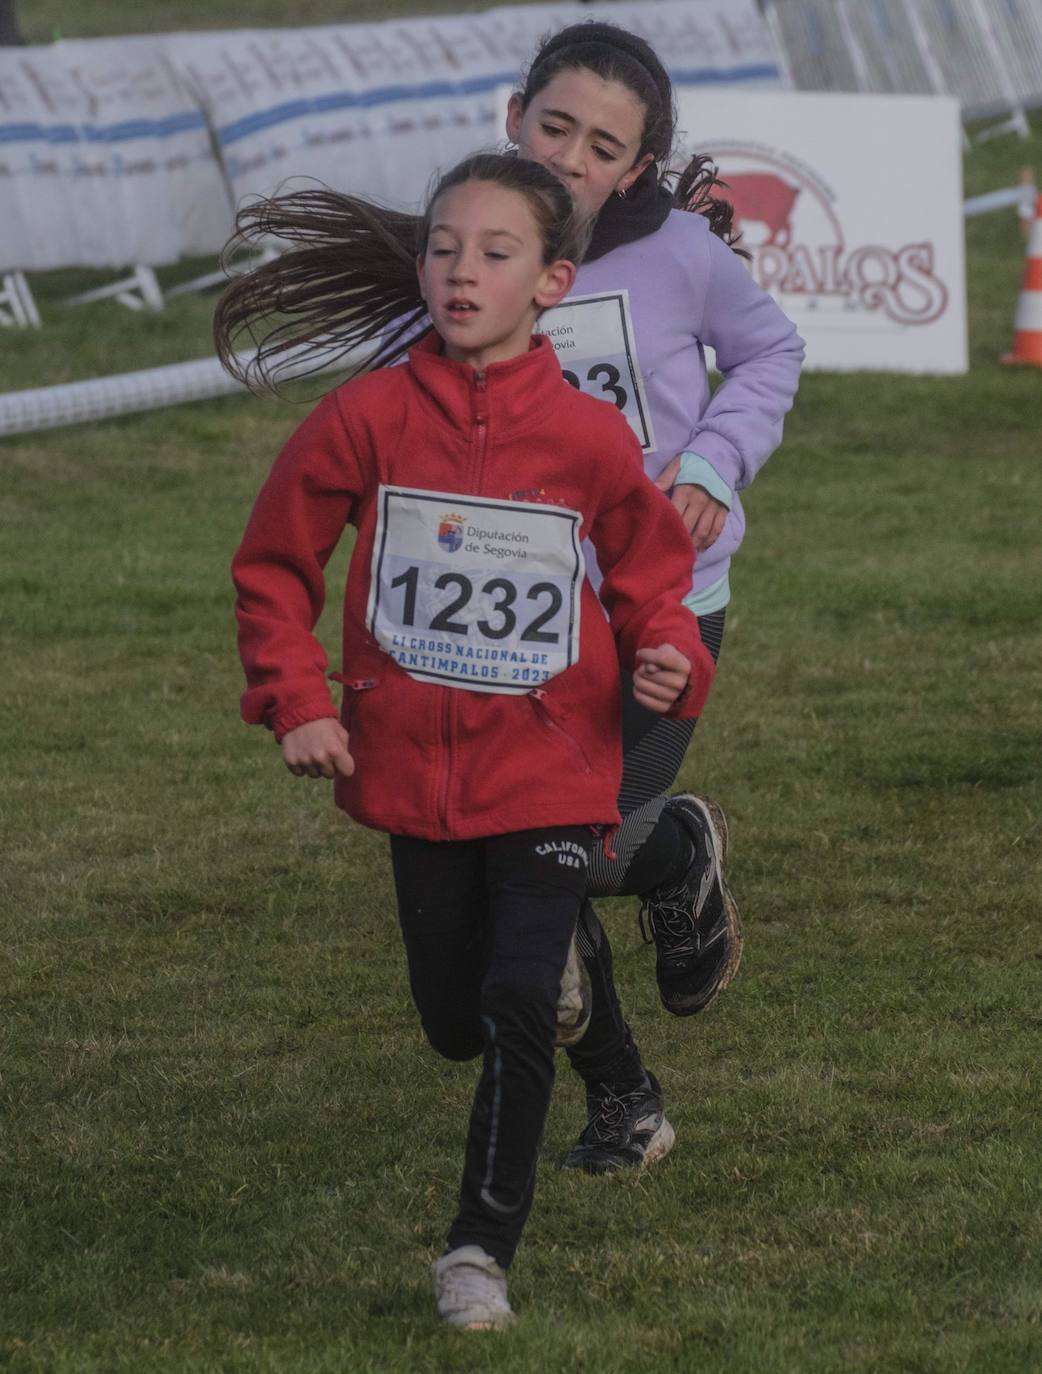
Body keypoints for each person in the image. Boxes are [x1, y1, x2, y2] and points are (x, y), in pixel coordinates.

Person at [222, 153, 715, 1330]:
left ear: (551, 282)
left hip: (552, 763)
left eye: (493, 254)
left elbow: (656, 579)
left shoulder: (589, 438)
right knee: (453, 1021)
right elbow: (272, 569)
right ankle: (659, 854)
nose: (458, 271)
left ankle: (475, 1255)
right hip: (410, 776)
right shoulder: (366, 417)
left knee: (510, 1001)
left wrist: (666, 653)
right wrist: (298, 700)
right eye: (443, 247)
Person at [499, 21, 805, 1173]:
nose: (571, 159)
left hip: (662, 612)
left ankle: (672, 851)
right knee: (529, 849)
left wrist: (710, 464)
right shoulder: (470, 238)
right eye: (555, 127)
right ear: (513, 118)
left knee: (558, 847)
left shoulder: (681, 254)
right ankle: (624, 1101)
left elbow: (770, 354)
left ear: (634, 166)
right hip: (511, 616)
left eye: (603, 146)